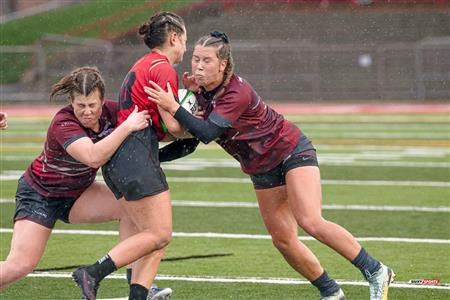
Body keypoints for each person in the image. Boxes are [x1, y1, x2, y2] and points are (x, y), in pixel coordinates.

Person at [144, 31, 395, 300]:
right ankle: (331, 292)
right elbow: (190, 142)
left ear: (223, 64)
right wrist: (152, 158)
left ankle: (376, 270)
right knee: (284, 240)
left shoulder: (236, 92)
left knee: (310, 220)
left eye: (207, 60)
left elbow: (206, 133)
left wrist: (174, 106)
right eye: (195, 59)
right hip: (261, 168)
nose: (198, 66)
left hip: (291, 151)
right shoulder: (202, 92)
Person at [72, 12, 198, 300]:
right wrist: (201, 127)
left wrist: (186, 96)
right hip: (135, 154)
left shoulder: (144, 63)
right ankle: (92, 272)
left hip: (125, 155)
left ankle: (138, 295)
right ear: (174, 37)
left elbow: (161, 126)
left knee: (153, 237)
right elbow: (175, 127)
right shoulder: (163, 67)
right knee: (160, 234)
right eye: (185, 41)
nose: (185, 48)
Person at [0, 67, 154, 291]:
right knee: (20, 265)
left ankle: (137, 286)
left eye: (92, 105)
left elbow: (153, 120)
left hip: (78, 194)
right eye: (80, 105)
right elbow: (93, 157)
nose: (87, 111)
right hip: (40, 195)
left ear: (102, 100)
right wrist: (127, 126)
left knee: (133, 207)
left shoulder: (113, 111)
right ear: (71, 102)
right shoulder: (63, 123)